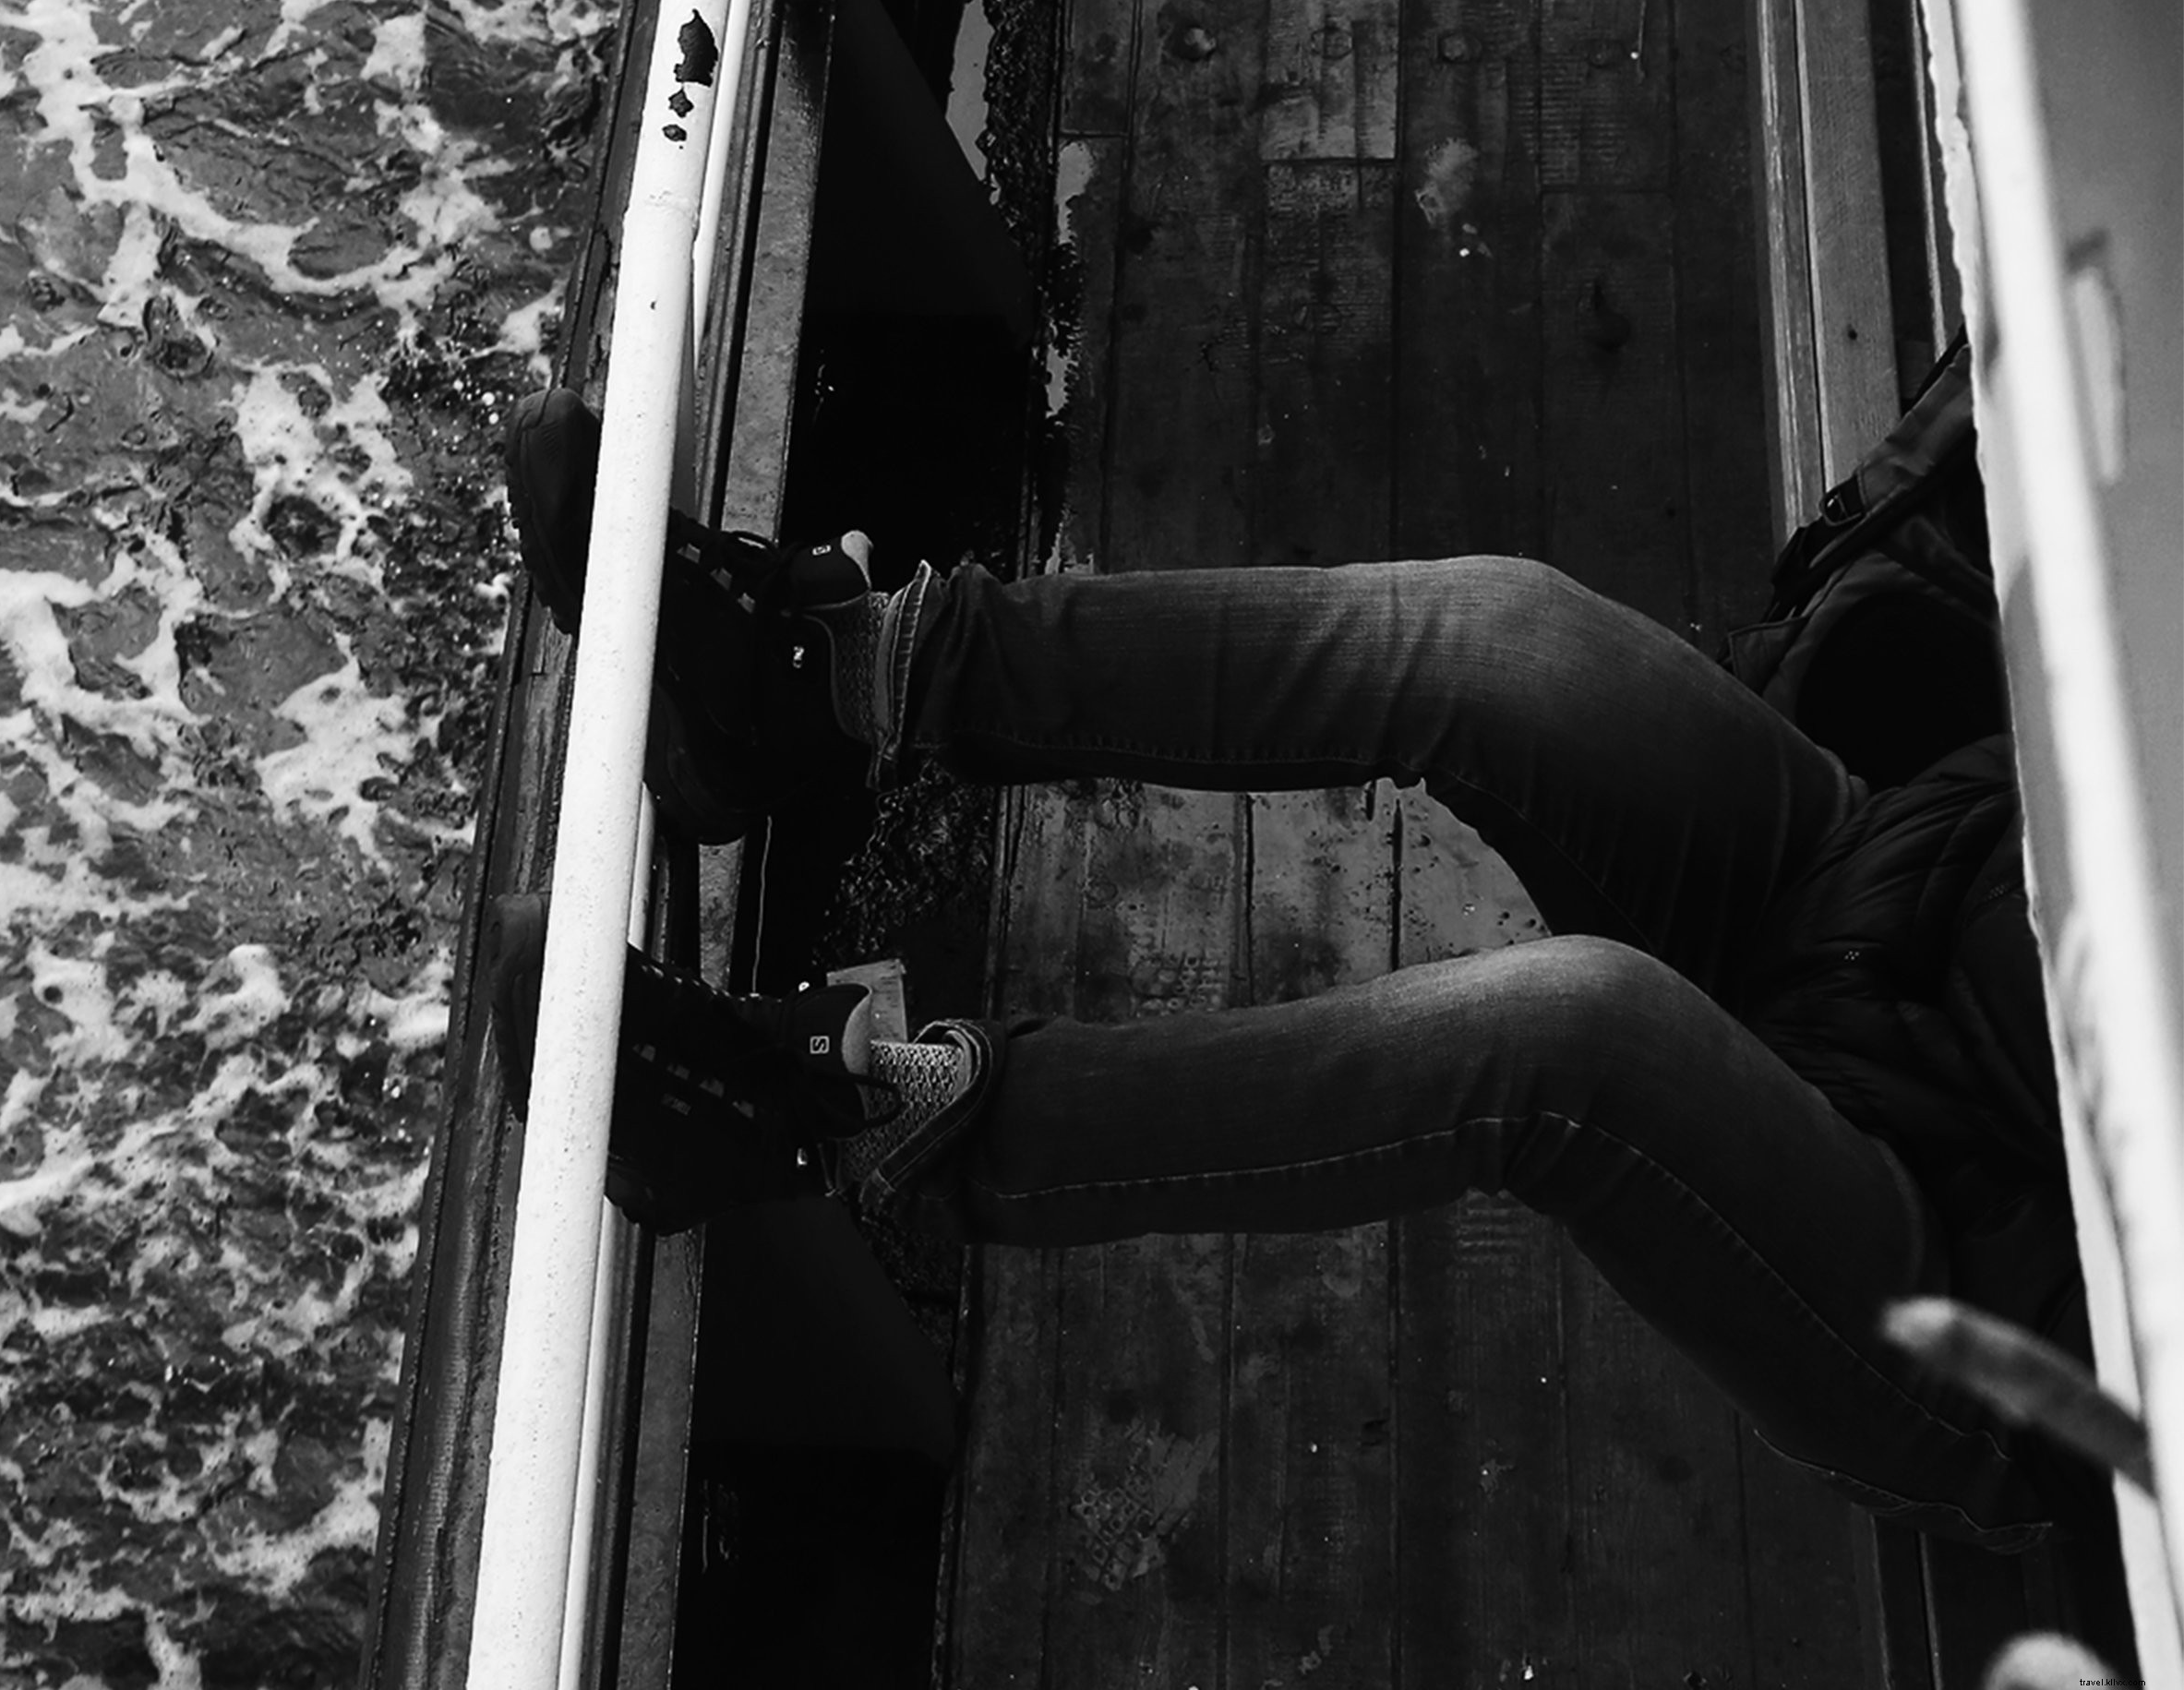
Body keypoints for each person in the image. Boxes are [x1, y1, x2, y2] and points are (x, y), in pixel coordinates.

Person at [494, 390, 2080, 1541]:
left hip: (1986, 1270)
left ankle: (834, 1120)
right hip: (1900, 887)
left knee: (1574, 1040)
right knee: (1501, 641)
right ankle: (831, 677)